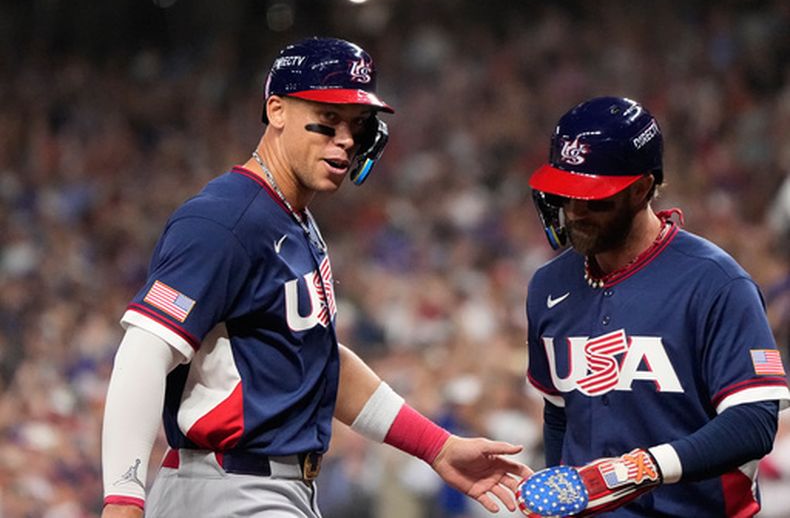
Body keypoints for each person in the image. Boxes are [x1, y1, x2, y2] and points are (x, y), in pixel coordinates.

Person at [100, 37, 531, 518]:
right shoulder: (225, 219)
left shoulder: (291, 219)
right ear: (277, 110)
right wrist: (123, 498)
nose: (345, 140)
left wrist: (435, 446)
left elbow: (319, 364)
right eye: (328, 121)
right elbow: (143, 349)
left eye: (357, 126)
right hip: (229, 489)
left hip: (270, 489)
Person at [517, 96, 790, 517]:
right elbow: (559, 415)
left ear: (642, 188)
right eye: (565, 195)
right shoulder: (547, 285)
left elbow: (753, 421)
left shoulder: (716, 282)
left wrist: (643, 467)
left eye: (593, 199)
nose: (574, 213)